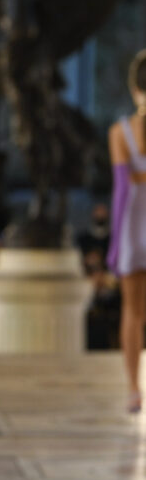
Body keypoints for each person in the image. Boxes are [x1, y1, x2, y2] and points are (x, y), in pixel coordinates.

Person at [107, 47, 146, 413]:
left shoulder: (120, 132)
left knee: (133, 312)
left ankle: (134, 388)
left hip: (134, 229)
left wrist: (115, 244)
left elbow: (121, 193)